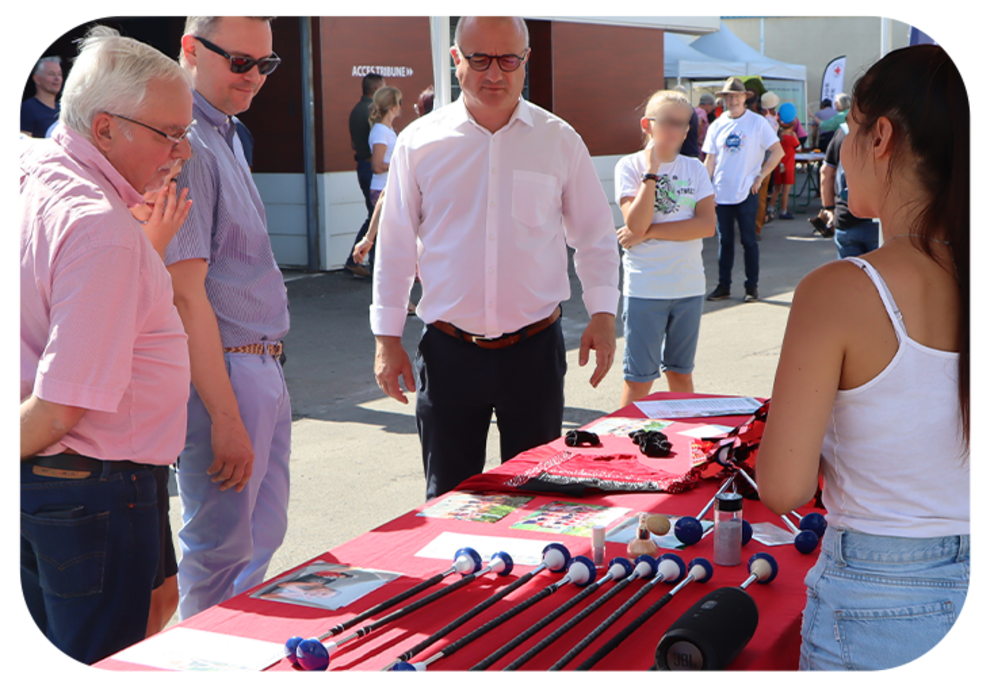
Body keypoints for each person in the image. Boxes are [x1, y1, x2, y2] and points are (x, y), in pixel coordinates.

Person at [755, 45, 971, 673]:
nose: (844, 150)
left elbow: (784, 487)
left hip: (882, 595)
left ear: (881, 137)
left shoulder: (840, 290)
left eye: (850, 128)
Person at [372, 13, 620, 502]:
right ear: (456, 59)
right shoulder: (420, 142)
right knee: (449, 502)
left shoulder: (558, 140)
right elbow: (395, 242)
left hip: (534, 351)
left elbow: (594, 235)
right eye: (480, 58)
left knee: (536, 500)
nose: (494, 73)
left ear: (526, 60)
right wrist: (387, 338)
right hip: (448, 354)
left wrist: (604, 314)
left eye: (508, 60)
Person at [18, 25, 193, 666]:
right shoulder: (101, 228)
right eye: (169, 134)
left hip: (67, 484)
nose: (182, 152)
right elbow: (59, 409)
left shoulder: (38, 168)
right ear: (105, 129)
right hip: (87, 486)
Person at [168, 12, 292, 621]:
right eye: (240, 62)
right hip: (228, 372)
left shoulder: (228, 132)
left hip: (259, 364)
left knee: (259, 538)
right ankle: (203, 655)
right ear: (191, 49)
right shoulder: (186, 140)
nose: (254, 77)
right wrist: (224, 414)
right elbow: (185, 293)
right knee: (221, 552)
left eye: (265, 64)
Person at [614, 91, 716, 407]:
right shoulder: (629, 166)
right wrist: (652, 171)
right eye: (668, 122)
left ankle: (683, 434)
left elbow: (706, 226)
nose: (676, 130)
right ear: (647, 124)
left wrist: (648, 234)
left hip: (688, 287)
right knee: (639, 380)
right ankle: (627, 436)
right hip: (646, 288)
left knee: (681, 374)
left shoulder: (695, 168)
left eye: (683, 124)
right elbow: (636, 223)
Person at [703, 78, 784, 303]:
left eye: (737, 96)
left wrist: (761, 176)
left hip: (747, 192)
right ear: (724, 99)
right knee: (725, 242)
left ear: (745, 98)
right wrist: (706, 189)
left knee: (749, 241)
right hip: (721, 193)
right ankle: (723, 286)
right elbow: (710, 159)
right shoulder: (717, 125)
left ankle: (751, 288)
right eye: (729, 97)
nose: (733, 101)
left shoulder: (757, 123)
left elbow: (778, 151)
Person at [344, 73, 385, 278]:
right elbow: (376, 144)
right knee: (377, 216)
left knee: (374, 215)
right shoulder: (372, 112)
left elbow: (354, 143)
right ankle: (362, 260)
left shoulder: (355, 110)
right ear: (377, 89)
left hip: (362, 164)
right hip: (371, 167)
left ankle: (361, 260)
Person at [818, 124, 880, 257]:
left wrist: (829, 208)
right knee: (879, 269)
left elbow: (826, 172)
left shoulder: (843, 132)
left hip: (845, 216)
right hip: (878, 217)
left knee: (849, 269)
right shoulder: (886, 130)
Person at [368, 86, 403, 210]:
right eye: (399, 102)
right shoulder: (381, 131)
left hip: (387, 187)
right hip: (382, 189)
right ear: (392, 107)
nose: (400, 106)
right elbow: (377, 167)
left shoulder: (387, 130)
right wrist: (401, 164)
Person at [770, 103, 801, 222]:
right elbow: (799, 148)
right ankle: (783, 210)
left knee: (776, 189)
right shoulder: (792, 138)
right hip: (788, 167)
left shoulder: (778, 137)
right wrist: (796, 137)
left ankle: (770, 208)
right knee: (786, 191)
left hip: (778, 166)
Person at [19, 56, 63, 138]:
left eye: (59, 74)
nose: (57, 78)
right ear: (37, 79)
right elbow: (23, 143)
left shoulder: (63, 110)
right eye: (51, 74)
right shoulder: (26, 109)